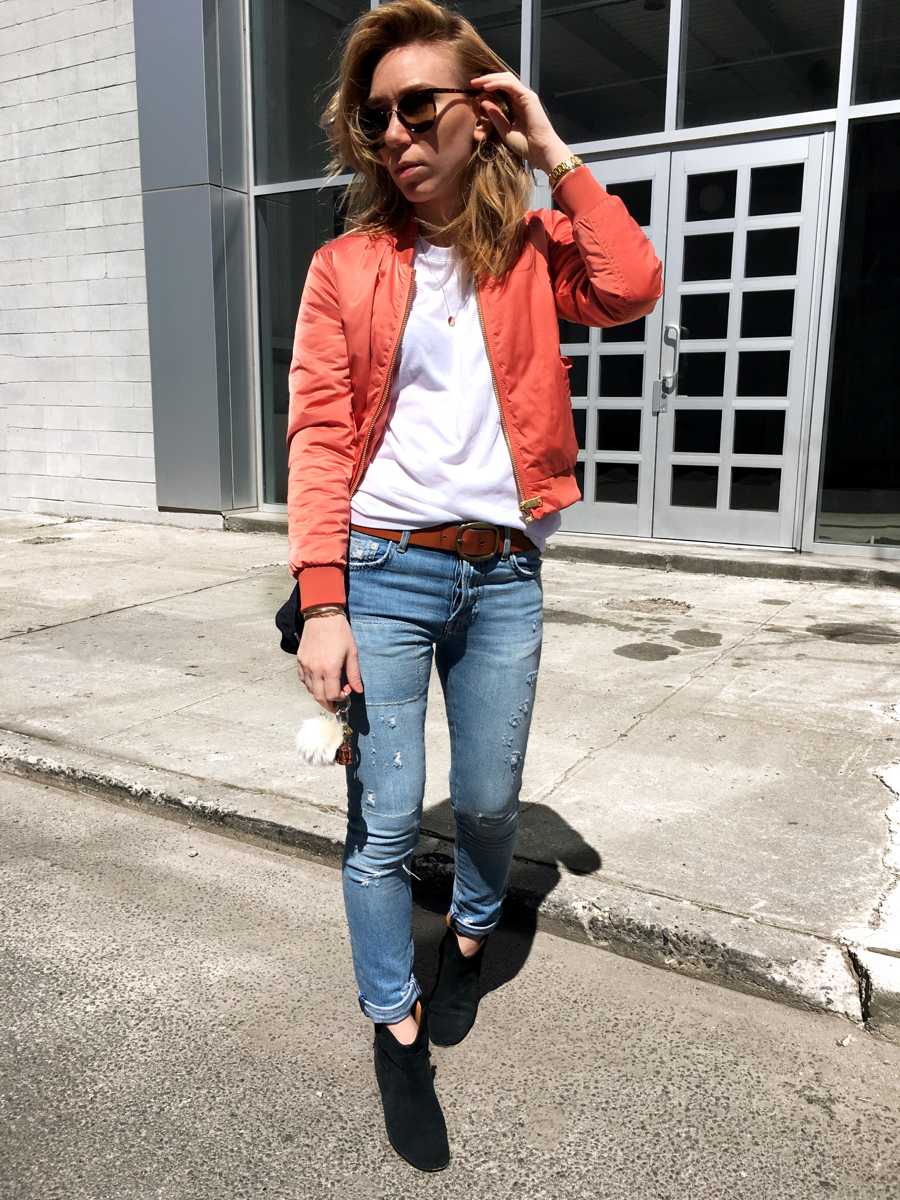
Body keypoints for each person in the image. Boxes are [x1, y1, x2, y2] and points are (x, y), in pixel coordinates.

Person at [287, 0, 662, 1172]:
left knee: (492, 805)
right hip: (389, 571)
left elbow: (635, 284)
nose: (395, 131)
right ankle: (394, 1021)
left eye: (419, 105)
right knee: (383, 821)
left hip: (503, 578)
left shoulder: (532, 254)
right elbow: (315, 433)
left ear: (474, 113)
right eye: (375, 112)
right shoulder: (345, 266)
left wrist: (551, 149)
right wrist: (324, 599)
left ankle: (474, 934)